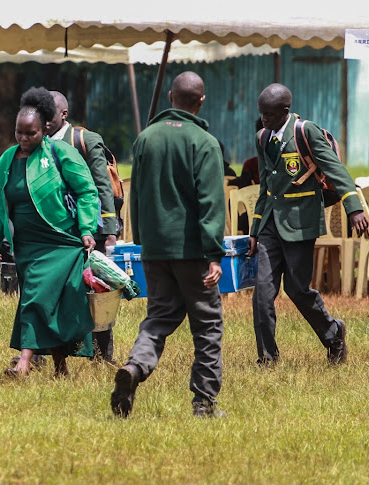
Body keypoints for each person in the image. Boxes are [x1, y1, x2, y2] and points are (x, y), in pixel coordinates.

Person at [110, 71, 227, 419]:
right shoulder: (204, 143)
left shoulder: (146, 139)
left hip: (155, 249)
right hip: (192, 252)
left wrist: (144, 241)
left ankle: (135, 367)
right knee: (207, 324)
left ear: (171, 97)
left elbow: (137, 196)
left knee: (159, 317)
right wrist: (214, 254)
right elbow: (210, 203)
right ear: (201, 101)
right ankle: (204, 403)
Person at [0, 86, 99, 378]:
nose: (23, 138)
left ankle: (24, 363)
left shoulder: (61, 153)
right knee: (42, 300)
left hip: (61, 242)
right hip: (27, 245)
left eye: (30, 133)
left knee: (35, 297)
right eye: (19, 132)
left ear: (44, 128)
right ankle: (60, 367)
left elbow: (87, 192)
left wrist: (87, 229)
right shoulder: (5, 161)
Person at [247, 83, 368, 366]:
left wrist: (354, 208)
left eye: (268, 114)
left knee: (297, 289)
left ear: (284, 111)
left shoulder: (305, 131)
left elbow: (335, 170)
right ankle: (267, 358)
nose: (263, 119)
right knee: (262, 291)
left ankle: (333, 332)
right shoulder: (263, 137)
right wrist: (254, 230)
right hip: (270, 225)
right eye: (261, 113)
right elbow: (266, 186)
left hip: (300, 223)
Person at [46, 90, 119, 364]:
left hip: (90, 228)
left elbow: (102, 185)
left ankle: (103, 355)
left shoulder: (84, 140)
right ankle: (44, 352)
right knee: (50, 291)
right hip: (54, 230)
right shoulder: (34, 141)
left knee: (97, 290)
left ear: (63, 114)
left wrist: (109, 228)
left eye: (48, 113)